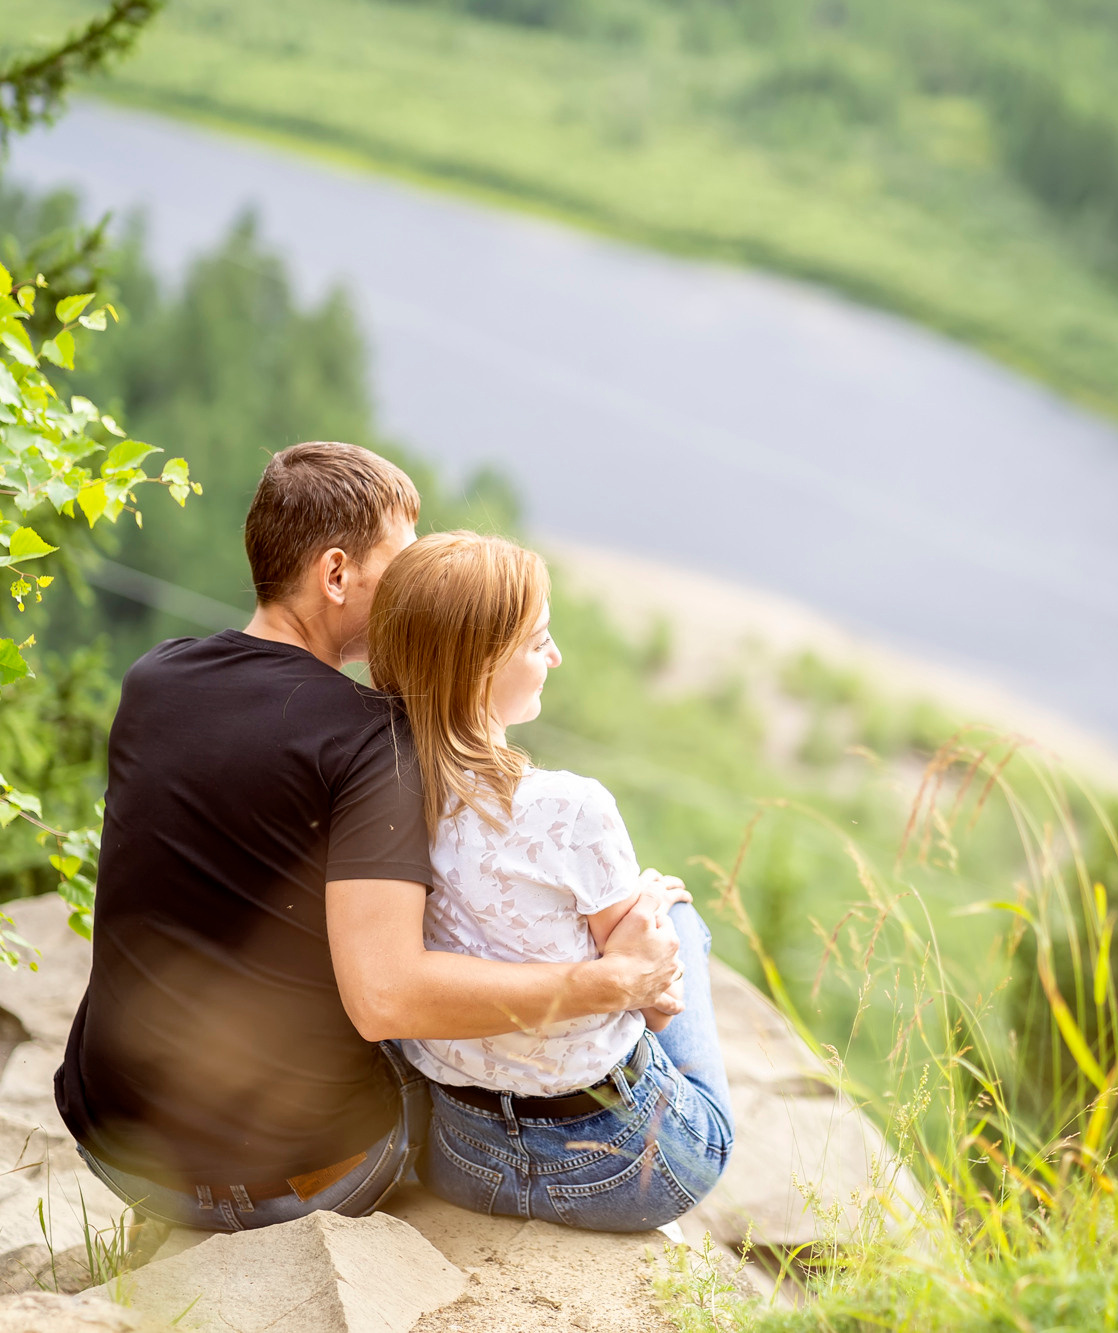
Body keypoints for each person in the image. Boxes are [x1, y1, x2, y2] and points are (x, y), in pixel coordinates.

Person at [54, 442, 689, 1232]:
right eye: (404, 565)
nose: (419, 587)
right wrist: (614, 981)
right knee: (663, 924)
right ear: (335, 575)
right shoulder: (373, 741)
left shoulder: (157, 675)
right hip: (302, 1177)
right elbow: (386, 996)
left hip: (113, 1145)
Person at [366, 531, 732, 1231]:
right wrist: (648, 918)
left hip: (460, 1160)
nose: (556, 655)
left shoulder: (376, 795)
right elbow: (657, 1002)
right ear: (481, 669)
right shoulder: (572, 807)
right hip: (622, 1168)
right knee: (676, 916)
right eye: (539, 642)